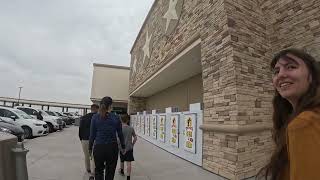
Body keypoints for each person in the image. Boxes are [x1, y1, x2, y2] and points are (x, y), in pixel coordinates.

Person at [258, 48, 320, 180]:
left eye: (291, 67)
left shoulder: (304, 123)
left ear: (312, 76)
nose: (280, 75)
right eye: (276, 71)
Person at [89, 96, 125, 180]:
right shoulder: (116, 117)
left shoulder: (95, 117)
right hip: (112, 148)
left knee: (98, 171)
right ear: (110, 106)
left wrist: (90, 148)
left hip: (99, 148)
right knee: (110, 172)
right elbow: (120, 134)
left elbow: (92, 135)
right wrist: (123, 146)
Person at [79, 104, 99, 174]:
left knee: (86, 155)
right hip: (94, 139)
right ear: (96, 109)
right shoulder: (97, 117)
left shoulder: (83, 117)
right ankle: (93, 171)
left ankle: (88, 169)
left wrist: (81, 139)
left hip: (84, 139)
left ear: (91, 109)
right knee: (94, 156)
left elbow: (80, 129)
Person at [119, 114, 137, 180]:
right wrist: (132, 144)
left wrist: (120, 148)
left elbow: (118, 139)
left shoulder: (119, 129)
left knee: (122, 161)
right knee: (129, 163)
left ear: (121, 120)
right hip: (129, 148)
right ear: (128, 120)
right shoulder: (131, 128)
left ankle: (121, 171)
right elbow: (135, 137)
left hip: (121, 148)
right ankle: (128, 177)